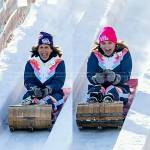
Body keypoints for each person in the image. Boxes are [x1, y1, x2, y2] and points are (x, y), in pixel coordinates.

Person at [87, 26, 132, 104]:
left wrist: (116, 77)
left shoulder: (124, 54)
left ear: (114, 43)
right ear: (100, 44)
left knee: (114, 90)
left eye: (110, 43)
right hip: (100, 85)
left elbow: (126, 74)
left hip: (119, 86)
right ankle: (94, 100)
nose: (106, 46)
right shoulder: (95, 55)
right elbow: (90, 73)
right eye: (103, 43)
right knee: (97, 90)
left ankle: (110, 99)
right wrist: (96, 78)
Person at [22, 32, 66, 112]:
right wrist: (34, 88)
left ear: (51, 49)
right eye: (41, 47)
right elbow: (28, 80)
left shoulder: (59, 63)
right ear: (37, 49)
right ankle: (31, 107)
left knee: (51, 101)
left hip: (53, 93)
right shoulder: (31, 63)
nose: (43, 50)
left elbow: (59, 81)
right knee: (27, 99)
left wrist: (49, 89)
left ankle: (46, 109)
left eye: (46, 47)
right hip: (35, 93)